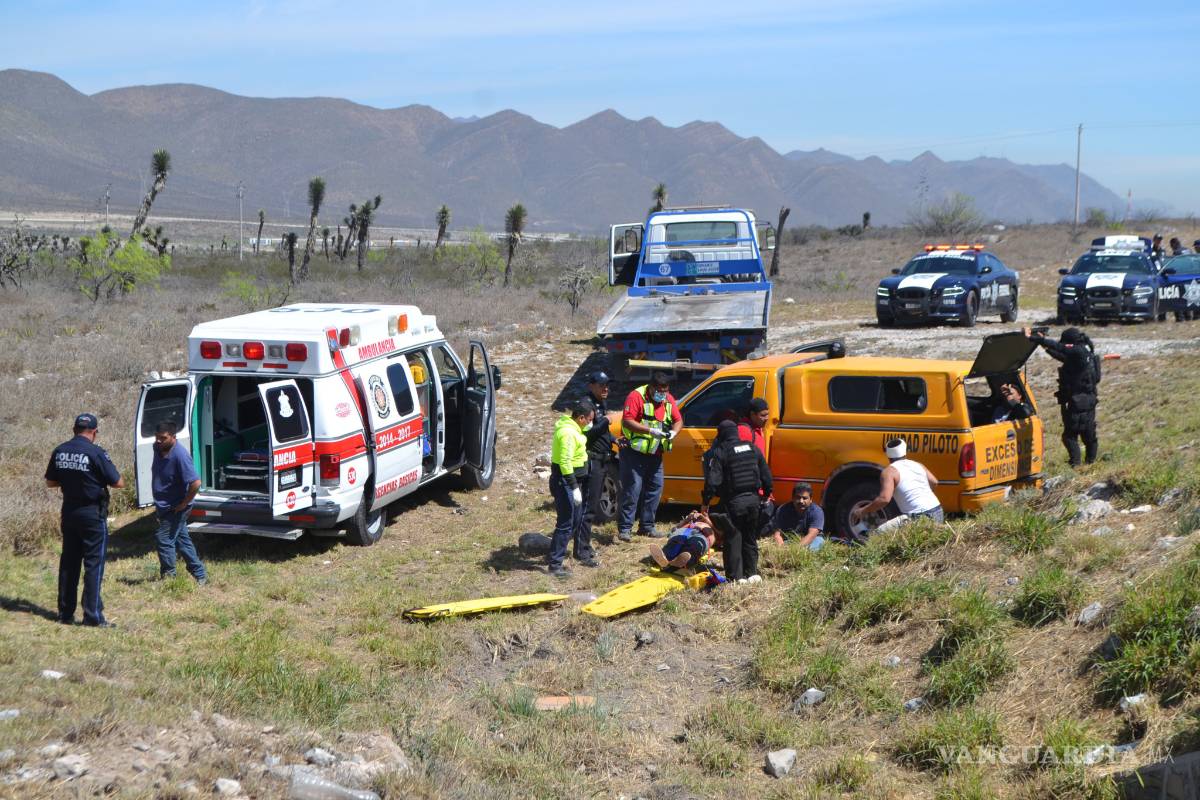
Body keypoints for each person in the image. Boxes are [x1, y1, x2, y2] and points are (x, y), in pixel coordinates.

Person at [44, 413, 124, 627]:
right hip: (92, 514)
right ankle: (92, 616)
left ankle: (65, 613)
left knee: (69, 563)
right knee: (93, 564)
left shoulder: (60, 450)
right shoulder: (96, 453)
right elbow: (118, 482)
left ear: (74, 430)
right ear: (95, 432)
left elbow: (51, 482)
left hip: (69, 511)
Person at [702, 420, 773, 582]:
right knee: (750, 536)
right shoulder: (752, 448)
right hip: (754, 501)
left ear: (721, 435)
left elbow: (712, 481)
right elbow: (766, 475)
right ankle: (752, 573)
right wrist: (767, 493)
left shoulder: (721, 451)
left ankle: (736, 577)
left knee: (733, 536)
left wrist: (706, 502)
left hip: (733, 502)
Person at [618, 371, 682, 541]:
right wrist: (650, 431)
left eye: (666, 391)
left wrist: (674, 433)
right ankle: (625, 529)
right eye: (660, 391)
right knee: (633, 490)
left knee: (655, 488)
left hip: (655, 453)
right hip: (634, 453)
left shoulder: (668, 399)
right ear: (651, 388)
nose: (663, 394)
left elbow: (678, 420)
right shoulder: (636, 396)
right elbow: (627, 421)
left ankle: (646, 527)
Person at [1024, 326, 1099, 466]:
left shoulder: (1078, 351)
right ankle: (1090, 463)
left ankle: (1076, 464)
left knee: (1070, 436)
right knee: (1088, 434)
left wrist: (1034, 338)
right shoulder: (1085, 352)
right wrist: (1043, 344)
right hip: (1088, 400)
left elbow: (1060, 348)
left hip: (1076, 402)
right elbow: (1061, 355)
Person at [151, 422, 207, 583]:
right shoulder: (158, 448)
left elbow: (196, 483)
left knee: (164, 539)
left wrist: (184, 503)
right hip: (164, 504)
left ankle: (169, 578)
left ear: (173, 437)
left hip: (176, 506)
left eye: (163, 438)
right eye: (157, 437)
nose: (159, 441)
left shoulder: (180, 456)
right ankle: (200, 575)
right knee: (182, 540)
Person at [548, 399, 597, 578]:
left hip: (572, 481)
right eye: (590, 420)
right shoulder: (568, 433)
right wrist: (574, 487)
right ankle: (555, 565)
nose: (591, 423)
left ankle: (556, 554)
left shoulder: (575, 430)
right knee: (566, 523)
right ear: (581, 418)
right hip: (565, 482)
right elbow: (565, 462)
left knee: (574, 520)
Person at [851, 438, 943, 528]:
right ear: (905, 452)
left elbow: (884, 499)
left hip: (917, 517)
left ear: (888, 454)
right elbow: (934, 482)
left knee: (878, 533)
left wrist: (862, 511)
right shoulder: (918, 465)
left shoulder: (889, 472)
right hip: (937, 511)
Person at [580, 371, 615, 544]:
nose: (605, 388)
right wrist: (606, 421)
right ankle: (582, 548)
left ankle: (583, 546)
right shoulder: (586, 405)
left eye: (607, 385)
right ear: (591, 386)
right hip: (592, 460)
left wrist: (615, 440)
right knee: (588, 507)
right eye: (602, 385)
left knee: (592, 506)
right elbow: (587, 433)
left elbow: (602, 432)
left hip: (603, 460)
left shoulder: (600, 402)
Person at [649, 510, 718, 571]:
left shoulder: (713, 522)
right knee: (675, 542)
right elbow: (675, 529)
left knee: (693, 546)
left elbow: (719, 536)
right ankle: (665, 557)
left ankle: (683, 562)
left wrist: (706, 520)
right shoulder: (689, 521)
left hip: (703, 534)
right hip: (685, 531)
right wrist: (687, 519)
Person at [764, 482, 825, 550]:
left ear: (810, 500)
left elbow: (812, 535)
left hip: (813, 539)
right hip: (791, 538)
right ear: (792, 498)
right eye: (798, 497)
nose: (801, 501)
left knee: (814, 546)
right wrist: (781, 549)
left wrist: (795, 550)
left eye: (804, 498)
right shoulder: (782, 509)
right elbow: (777, 534)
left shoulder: (817, 511)